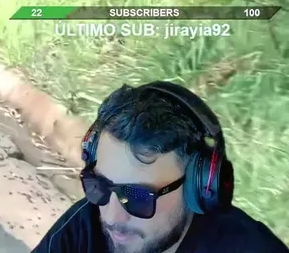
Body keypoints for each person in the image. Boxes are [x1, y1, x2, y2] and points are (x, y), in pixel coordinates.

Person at [33, 80, 287, 253]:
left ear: (198, 188)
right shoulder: (84, 227)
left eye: (137, 197)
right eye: (98, 185)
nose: (112, 217)